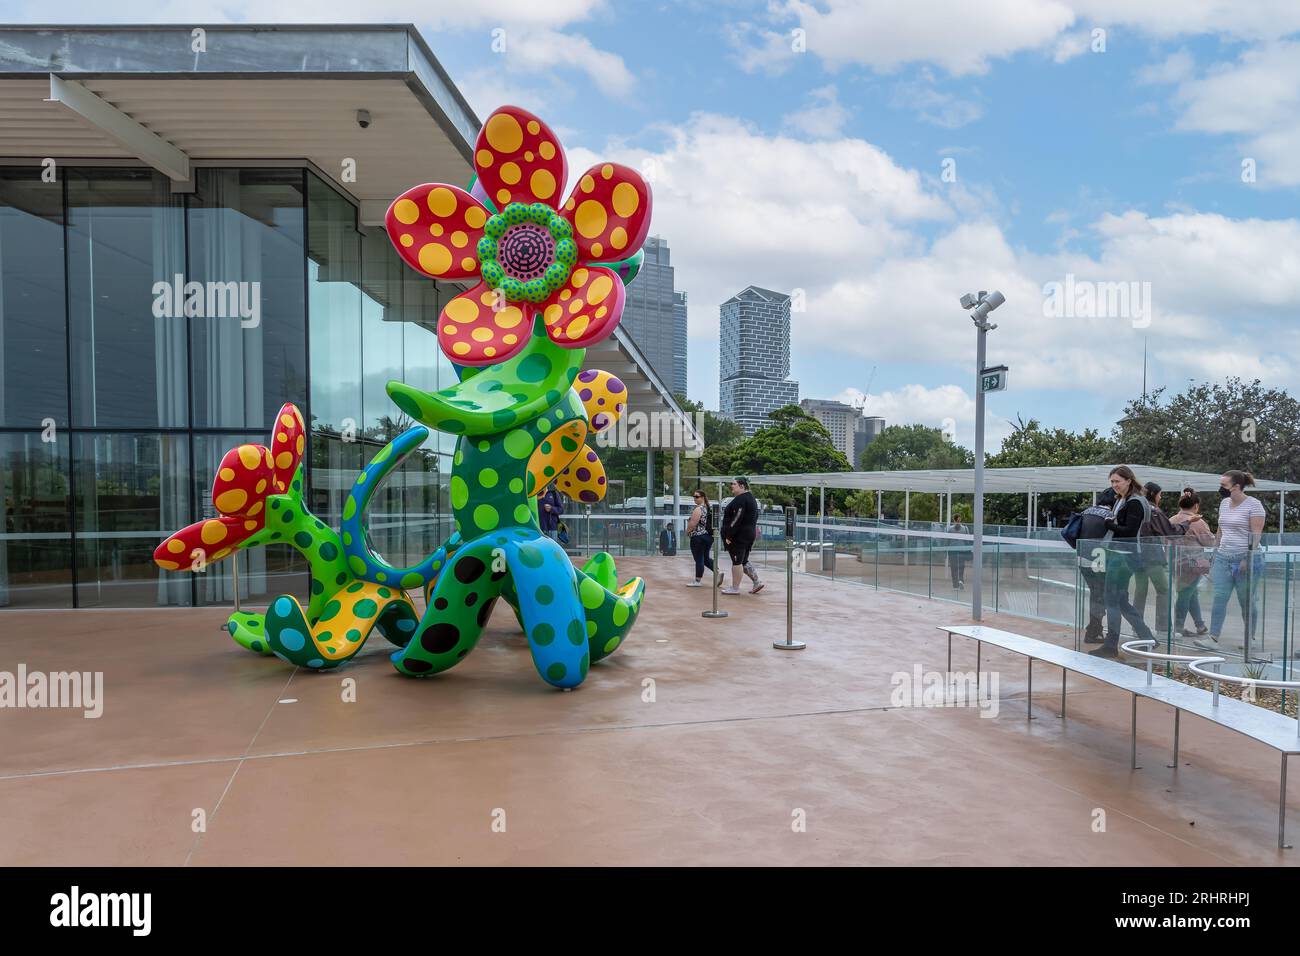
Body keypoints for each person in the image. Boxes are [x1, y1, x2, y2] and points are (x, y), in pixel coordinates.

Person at [1195, 470, 1266, 652]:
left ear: (1236, 487)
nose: (1221, 489)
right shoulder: (1224, 503)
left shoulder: (1254, 505)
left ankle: (1250, 637)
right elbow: (1221, 529)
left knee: (1246, 600)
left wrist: (1246, 558)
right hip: (1223, 557)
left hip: (1246, 558)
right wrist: (1215, 551)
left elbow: (1256, 535)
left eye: (1224, 485)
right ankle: (1213, 637)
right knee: (1220, 597)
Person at [1092, 465, 1156, 658]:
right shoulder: (1123, 500)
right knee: (1119, 600)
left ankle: (1111, 645)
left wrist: (1110, 524)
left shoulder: (1134, 502)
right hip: (1119, 554)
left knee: (1111, 600)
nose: (1114, 485)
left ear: (1129, 480)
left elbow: (1128, 531)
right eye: (1112, 482)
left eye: (1117, 481)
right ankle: (1147, 638)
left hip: (1124, 556)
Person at [1072, 488, 1116, 644]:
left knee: (1095, 593)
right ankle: (1093, 632)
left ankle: (1093, 627)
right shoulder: (1110, 516)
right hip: (1098, 559)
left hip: (1081, 558)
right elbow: (1110, 541)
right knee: (1099, 596)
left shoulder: (1086, 512)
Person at [1131, 481, 1175, 638]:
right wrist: (1186, 524)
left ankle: (1137, 628)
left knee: (1140, 590)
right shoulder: (1153, 510)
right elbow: (1168, 530)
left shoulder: (1136, 506)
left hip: (1137, 554)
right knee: (1163, 589)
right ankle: (1163, 628)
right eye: (1160, 494)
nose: (1160, 497)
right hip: (1151, 556)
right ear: (1153, 494)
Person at [1170, 490, 1214, 638]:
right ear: (1196, 506)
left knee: (1190, 592)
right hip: (1193, 564)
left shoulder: (1171, 519)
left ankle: (1200, 625)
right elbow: (1209, 541)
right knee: (1185, 593)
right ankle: (1178, 626)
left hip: (1175, 561)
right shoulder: (1198, 522)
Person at [720, 476, 763, 594]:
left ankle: (735, 588)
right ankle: (757, 581)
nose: (731, 486)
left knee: (737, 562)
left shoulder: (742, 499)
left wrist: (729, 534)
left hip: (739, 536)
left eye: (734, 484)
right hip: (748, 534)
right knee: (743, 560)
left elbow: (737, 518)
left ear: (742, 486)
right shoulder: (750, 498)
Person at [686, 489, 720, 587]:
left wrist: (687, 531)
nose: (695, 498)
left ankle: (697, 580)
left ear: (703, 498)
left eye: (697, 497)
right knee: (705, 558)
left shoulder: (698, 509)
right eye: (694, 497)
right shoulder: (707, 508)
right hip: (708, 537)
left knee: (699, 558)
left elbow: (693, 523)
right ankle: (717, 571)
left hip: (698, 537)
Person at [948, 515, 967, 590]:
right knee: (954, 568)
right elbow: (947, 540)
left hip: (962, 551)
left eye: (960, 520)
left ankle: (960, 582)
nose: (959, 522)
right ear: (955, 521)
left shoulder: (965, 528)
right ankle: (955, 585)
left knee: (961, 567)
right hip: (952, 551)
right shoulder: (950, 529)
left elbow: (967, 540)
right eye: (957, 521)